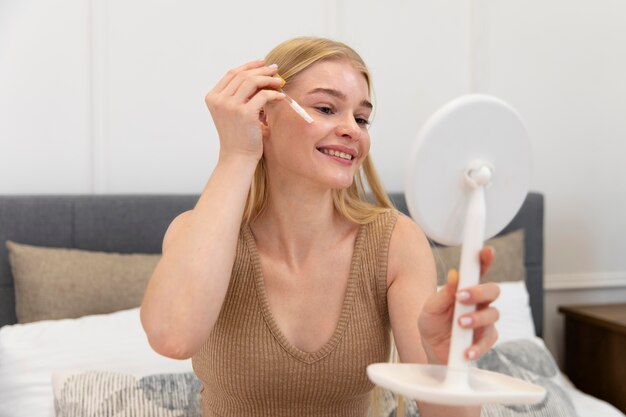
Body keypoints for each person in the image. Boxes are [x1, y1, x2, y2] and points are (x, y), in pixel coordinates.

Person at [140, 37, 500, 417]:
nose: (352, 130)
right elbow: (172, 337)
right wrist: (236, 153)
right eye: (327, 108)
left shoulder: (395, 242)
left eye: (361, 118)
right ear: (264, 115)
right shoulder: (198, 233)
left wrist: (447, 367)